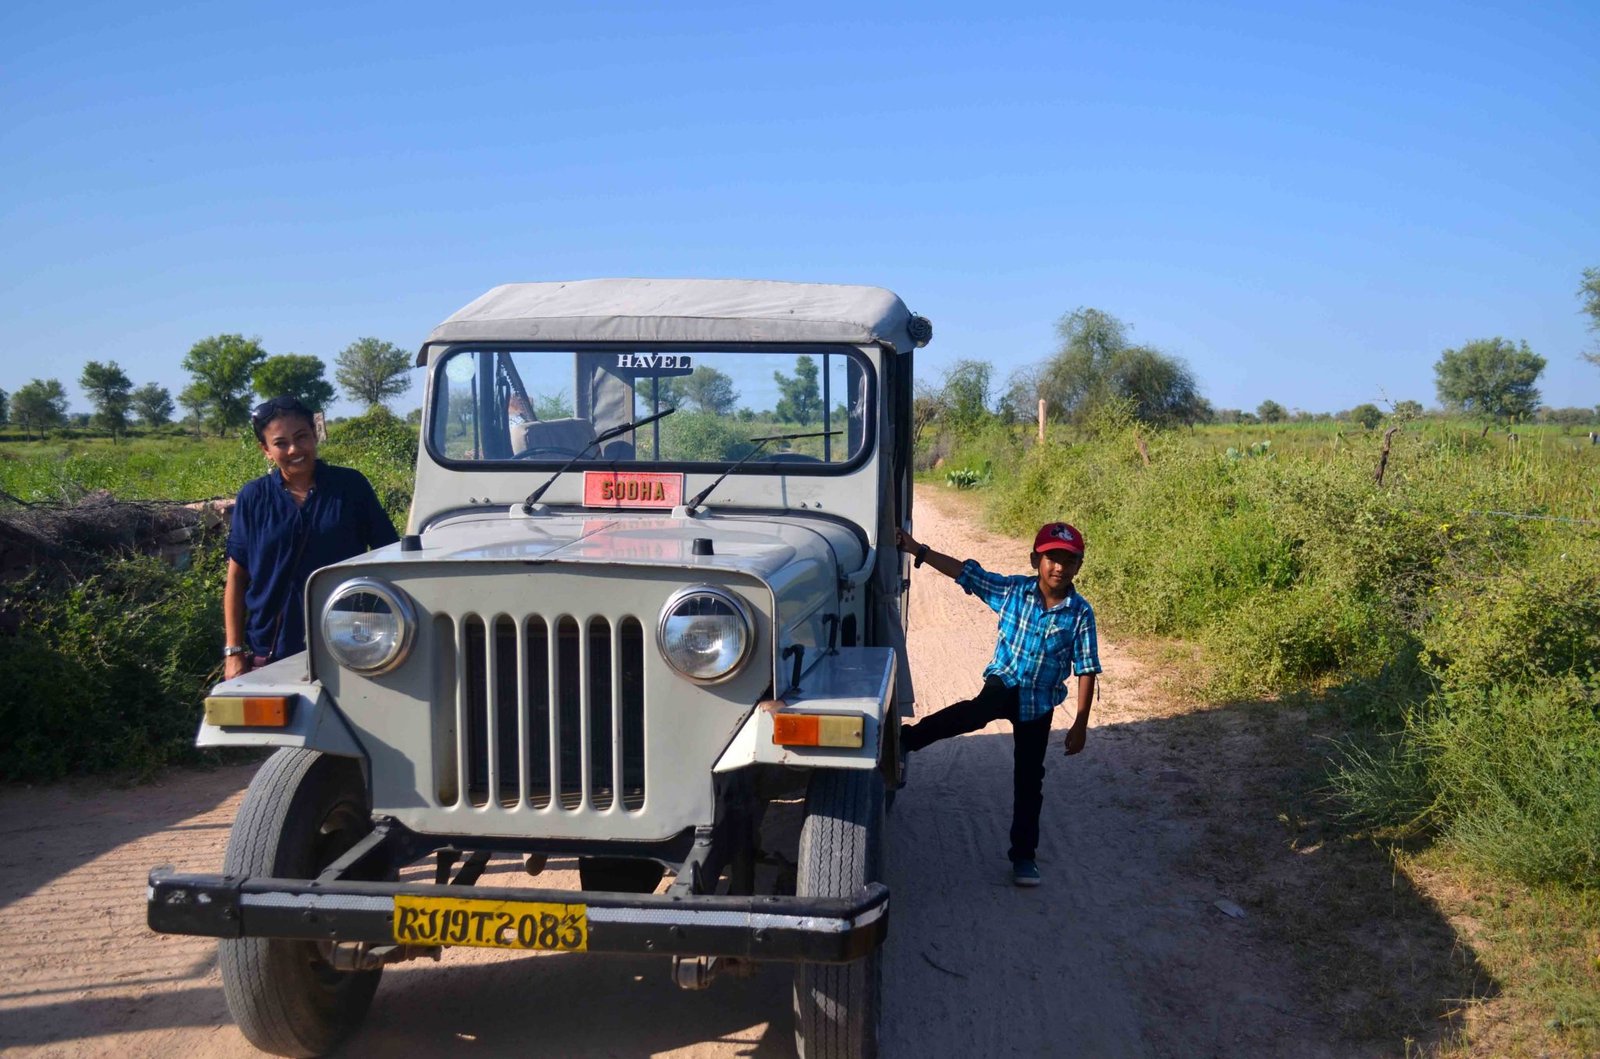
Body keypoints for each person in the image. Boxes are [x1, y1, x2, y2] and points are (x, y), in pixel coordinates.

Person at [894, 521, 1101, 887]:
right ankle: (907, 740)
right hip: (1004, 680)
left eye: (1069, 561)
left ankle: (1024, 857)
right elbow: (967, 574)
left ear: (1079, 566)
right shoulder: (1013, 591)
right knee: (975, 712)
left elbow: (1086, 668)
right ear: (1035, 559)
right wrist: (917, 550)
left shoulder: (1080, 613)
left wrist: (1081, 722)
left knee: (1028, 779)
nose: (1059, 567)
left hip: (1039, 702)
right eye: (1052, 558)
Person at [223, 396, 400, 678]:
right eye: (280, 443)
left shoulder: (350, 487)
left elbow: (389, 557)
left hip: (350, 645)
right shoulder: (253, 497)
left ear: (315, 434)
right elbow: (237, 577)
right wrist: (233, 652)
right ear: (266, 450)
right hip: (272, 648)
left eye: (301, 437)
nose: (294, 449)